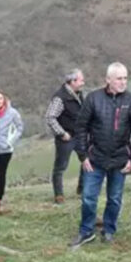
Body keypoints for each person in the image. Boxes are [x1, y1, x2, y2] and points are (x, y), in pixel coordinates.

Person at [70, 62, 131, 248]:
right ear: (108, 80)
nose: (123, 82)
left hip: (120, 159)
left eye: (125, 78)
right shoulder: (93, 99)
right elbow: (80, 128)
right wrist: (83, 155)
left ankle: (109, 230)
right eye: (119, 78)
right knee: (88, 197)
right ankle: (86, 231)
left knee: (114, 198)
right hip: (95, 158)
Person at [44, 69, 86, 204]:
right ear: (72, 81)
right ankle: (59, 195)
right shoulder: (60, 98)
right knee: (60, 167)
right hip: (66, 138)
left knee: (87, 161)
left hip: (79, 135)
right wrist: (62, 133)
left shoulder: (79, 95)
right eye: (81, 80)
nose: (83, 83)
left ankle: (82, 188)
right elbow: (50, 117)